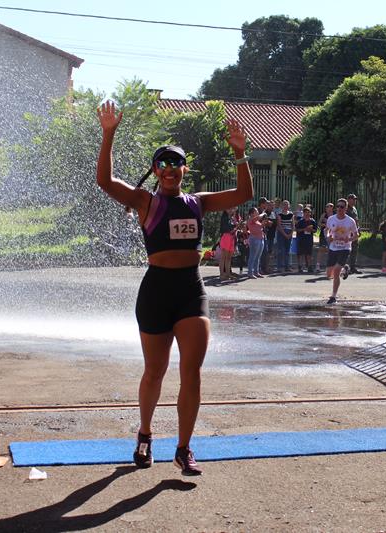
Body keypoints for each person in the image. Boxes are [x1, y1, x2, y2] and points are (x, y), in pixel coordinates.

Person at [96, 100, 252, 475]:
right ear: (155, 170)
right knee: (155, 370)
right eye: (162, 164)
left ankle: (183, 448)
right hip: (155, 290)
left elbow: (242, 194)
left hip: (190, 290)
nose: (169, 170)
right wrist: (109, 133)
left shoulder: (198, 202)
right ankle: (145, 434)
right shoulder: (145, 201)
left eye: (175, 163)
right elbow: (104, 181)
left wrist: (240, 154)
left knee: (191, 371)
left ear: (184, 169)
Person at [325, 198, 359, 304]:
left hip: (345, 248)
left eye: (342, 207)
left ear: (346, 209)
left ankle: (333, 296)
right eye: (338, 206)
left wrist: (348, 239)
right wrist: (328, 237)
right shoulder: (331, 219)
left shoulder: (350, 221)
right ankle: (345, 269)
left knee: (336, 271)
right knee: (328, 274)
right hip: (333, 247)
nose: (339, 208)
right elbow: (327, 230)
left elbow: (356, 235)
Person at [218, 207, 239, 281]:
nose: (231, 210)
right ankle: (221, 275)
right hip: (226, 237)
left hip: (231, 238)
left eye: (231, 209)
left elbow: (233, 229)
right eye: (229, 208)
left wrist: (237, 226)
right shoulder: (224, 217)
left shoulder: (231, 218)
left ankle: (227, 274)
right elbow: (226, 228)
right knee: (223, 257)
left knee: (229, 258)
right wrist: (235, 226)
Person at [245, 206, 267, 278]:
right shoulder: (251, 219)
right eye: (256, 211)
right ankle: (250, 273)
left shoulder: (256, 221)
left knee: (258, 257)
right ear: (252, 213)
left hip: (260, 239)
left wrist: (264, 223)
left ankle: (256, 272)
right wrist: (263, 213)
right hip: (254, 239)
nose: (257, 212)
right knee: (252, 256)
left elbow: (260, 227)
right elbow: (258, 217)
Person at [295, 207, 317, 273]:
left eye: (308, 212)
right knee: (300, 253)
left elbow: (315, 230)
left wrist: (311, 230)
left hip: (309, 239)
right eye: (305, 212)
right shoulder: (300, 221)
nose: (307, 214)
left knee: (309, 253)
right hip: (301, 238)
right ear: (303, 213)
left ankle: (309, 266)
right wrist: (304, 229)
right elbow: (297, 230)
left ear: (310, 213)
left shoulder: (312, 221)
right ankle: (300, 266)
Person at [275, 200, 295, 273]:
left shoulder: (291, 214)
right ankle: (280, 267)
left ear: (289, 206)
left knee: (287, 251)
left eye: (287, 204)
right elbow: (279, 225)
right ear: (282, 206)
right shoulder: (279, 214)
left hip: (289, 232)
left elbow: (293, 225)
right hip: (281, 233)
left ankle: (287, 267)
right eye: (284, 204)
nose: (286, 206)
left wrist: (291, 233)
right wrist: (285, 234)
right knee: (281, 250)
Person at [346, 193, 362, 274]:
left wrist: (359, 230)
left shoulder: (354, 208)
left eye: (355, 199)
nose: (354, 201)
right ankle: (346, 267)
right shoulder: (345, 208)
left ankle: (353, 267)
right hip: (348, 232)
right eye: (353, 199)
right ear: (348, 199)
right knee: (347, 250)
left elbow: (356, 220)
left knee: (355, 250)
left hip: (355, 232)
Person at [316, 202, 334, 272]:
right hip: (323, 234)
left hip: (332, 234)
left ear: (332, 208)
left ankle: (330, 265)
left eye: (330, 207)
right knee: (321, 249)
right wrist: (325, 224)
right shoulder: (324, 215)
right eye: (327, 207)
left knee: (331, 250)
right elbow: (319, 224)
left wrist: (329, 224)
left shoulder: (334, 215)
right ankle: (318, 265)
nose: (328, 208)